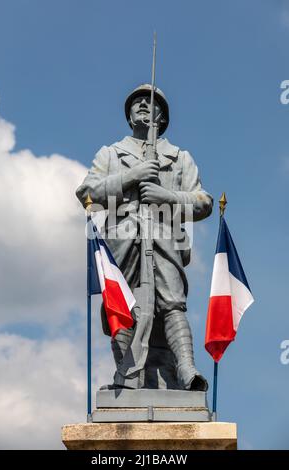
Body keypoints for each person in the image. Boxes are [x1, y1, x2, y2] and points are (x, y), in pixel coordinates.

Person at [76, 84, 213, 391]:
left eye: (149, 102)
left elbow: (203, 201)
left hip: (166, 238)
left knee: (173, 303)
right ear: (128, 115)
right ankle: (125, 375)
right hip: (121, 238)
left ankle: (186, 370)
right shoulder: (110, 154)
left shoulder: (179, 158)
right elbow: (87, 193)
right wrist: (130, 177)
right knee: (120, 305)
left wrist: (167, 195)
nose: (141, 105)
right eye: (136, 102)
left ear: (161, 115)